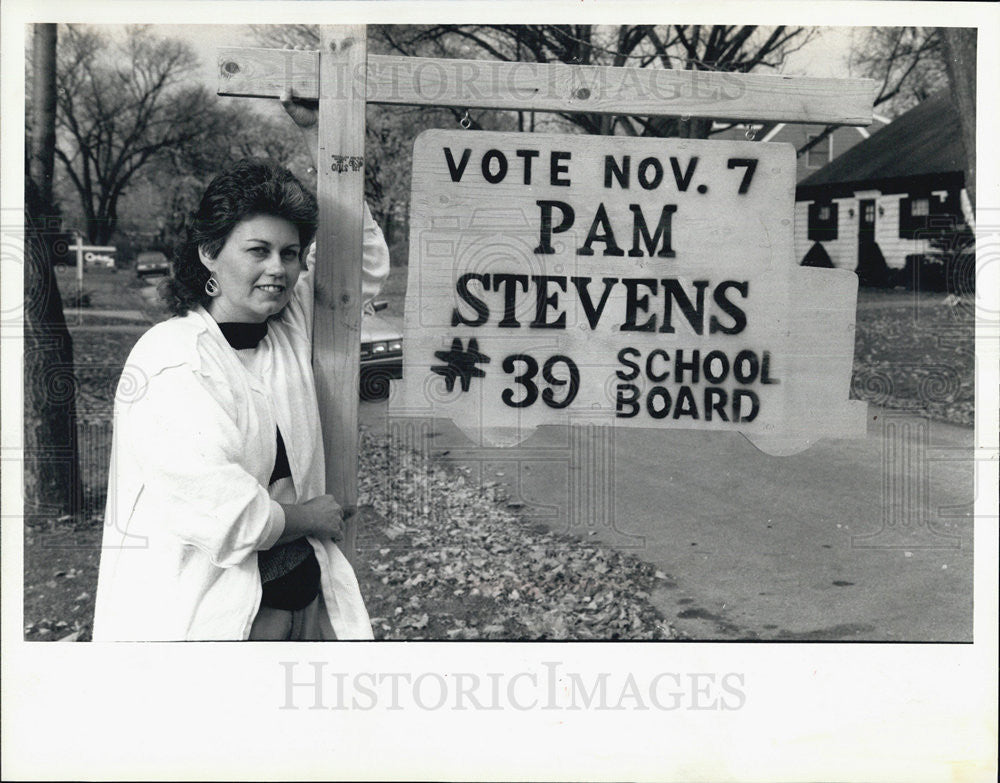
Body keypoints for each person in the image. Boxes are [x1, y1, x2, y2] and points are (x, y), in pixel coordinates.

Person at [93, 152, 389, 640]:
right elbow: (222, 511)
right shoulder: (173, 358)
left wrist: (323, 135)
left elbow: (362, 263)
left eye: (289, 253)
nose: (278, 268)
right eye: (258, 250)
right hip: (205, 627)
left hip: (301, 618)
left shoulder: (285, 327)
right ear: (210, 252)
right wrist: (307, 517)